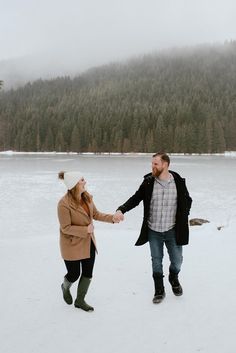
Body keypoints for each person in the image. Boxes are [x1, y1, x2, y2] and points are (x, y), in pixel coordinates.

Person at [114, 152, 192, 304]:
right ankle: (159, 289)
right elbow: (135, 198)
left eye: (156, 163)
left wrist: (183, 216)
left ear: (165, 164)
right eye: (152, 163)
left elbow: (188, 200)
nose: (152, 166)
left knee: (177, 261)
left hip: (173, 230)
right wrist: (121, 209)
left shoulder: (178, 182)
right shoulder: (148, 182)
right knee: (156, 261)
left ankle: (173, 277)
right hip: (153, 230)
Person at [57, 171, 120, 312]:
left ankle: (80, 300)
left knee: (87, 273)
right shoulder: (63, 204)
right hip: (71, 245)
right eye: (82, 180)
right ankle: (65, 286)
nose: (85, 182)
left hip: (88, 243)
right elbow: (65, 228)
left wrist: (112, 218)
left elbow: (96, 214)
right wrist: (85, 230)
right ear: (74, 184)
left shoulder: (87, 198)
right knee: (74, 274)